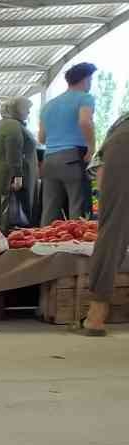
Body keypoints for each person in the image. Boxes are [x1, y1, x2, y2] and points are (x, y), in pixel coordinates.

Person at [81, 111, 129, 335]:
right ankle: (97, 313)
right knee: (116, 225)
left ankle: (96, 314)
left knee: (115, 225)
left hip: (119, 143)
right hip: (122, 144)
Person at [39, 62, 98, 224]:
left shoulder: (48, 105)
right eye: (91, 79)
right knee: (77, 207)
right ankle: (76, 248)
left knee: (49, 208)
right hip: (72, 158)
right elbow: (85, 122)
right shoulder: (85, 98)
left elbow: (42, 138)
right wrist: (92, 147)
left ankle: (44, 245)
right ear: (85, 79)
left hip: (49, 160)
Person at [0, 98, 39, 233]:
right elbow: (13, 152)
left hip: (4, 174)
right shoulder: (12, 125)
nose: (28, 112)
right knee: (5, 215)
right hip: (8, 176)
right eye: (26, 108)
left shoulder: (6, 124)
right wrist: (18, 176)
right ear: (18, 109)